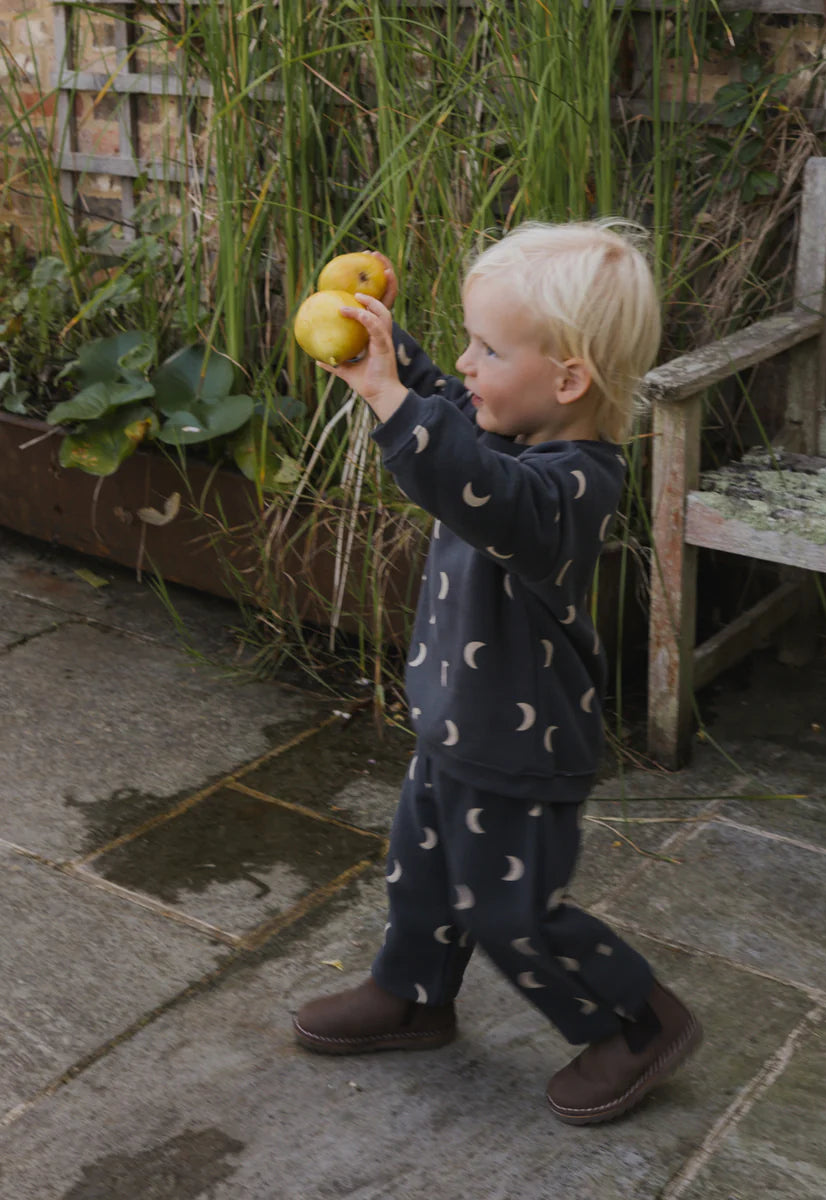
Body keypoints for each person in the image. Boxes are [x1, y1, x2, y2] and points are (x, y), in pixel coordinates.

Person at [292, 222, 701, 1124]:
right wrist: (392, 350)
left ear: (568, 381)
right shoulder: (507, 426)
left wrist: (391, 401)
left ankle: (637, 1022)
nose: (465, 366)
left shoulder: (569, 484)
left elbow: (475, 484)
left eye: (487, 348)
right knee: (422, 875)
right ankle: (412, 993)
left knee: (509, 909)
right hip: (455, 719)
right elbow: (452, 411)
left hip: (522, 741)